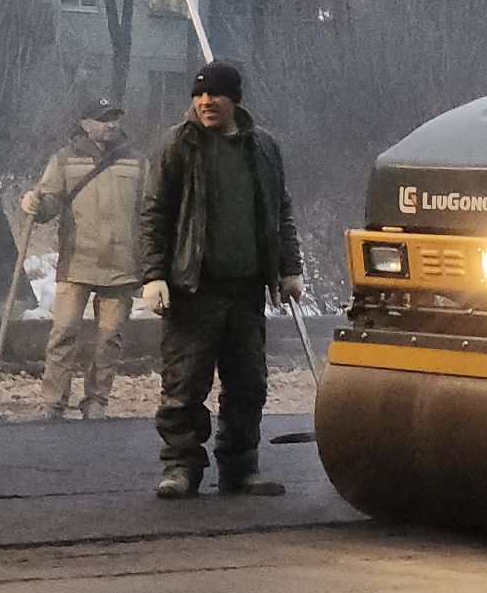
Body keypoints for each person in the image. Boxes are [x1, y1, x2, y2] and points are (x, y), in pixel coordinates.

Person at [140, 60, 303, 499]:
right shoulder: (178, 146)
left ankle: (240, 468)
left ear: (236, 100)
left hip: (247, 290)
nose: (206, 102)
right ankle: (181, 467)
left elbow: (279, 211)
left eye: (215, 94)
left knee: (248, 385)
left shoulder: (264, 147)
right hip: (194, 289)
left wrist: (290, 268)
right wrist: (154, 275)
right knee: (184, 385)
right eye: (199, 95)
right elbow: (155, 215)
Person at [22, 98, 145, 421]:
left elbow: (150, 214)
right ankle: (52, 402)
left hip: (121, 264)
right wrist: (36, 204)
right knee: (63, 333)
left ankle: (97, 401)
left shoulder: (138, 163)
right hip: (76, 262)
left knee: (109, 339)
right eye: (104, 119)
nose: (112, 124)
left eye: (116, 118)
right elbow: (48, 206)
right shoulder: (64, 160)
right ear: (86, 123)